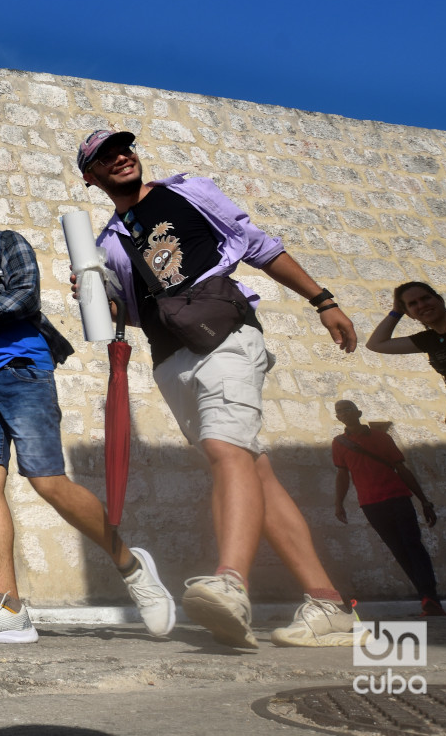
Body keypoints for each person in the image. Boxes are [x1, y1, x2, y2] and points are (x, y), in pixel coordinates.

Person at [74, 129, 359, 648]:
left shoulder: (187, 193)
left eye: (124, 148)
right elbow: (136, 314)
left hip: (227, 336)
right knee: (251, 468)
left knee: (228, 450)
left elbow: (258, 246)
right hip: (172, 361)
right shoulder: (107, 245)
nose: (120, 157)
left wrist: (323, 300)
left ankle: (230, 582)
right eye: (103, 157)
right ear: (89, 177)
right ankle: (329, 605)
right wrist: (98, 297)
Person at [0, 181, 175, 645]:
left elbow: (25, 299)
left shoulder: (8, 243)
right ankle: (8, 608)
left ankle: (131, 566)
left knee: (47, 482)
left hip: (22, 373)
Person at [331, 400, 445, 616]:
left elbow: (400, 468)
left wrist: (424, 501)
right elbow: (342, 475)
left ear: (359, 412)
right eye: (339, 412)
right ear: (337, 418)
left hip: (398, 498)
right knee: (398, 549)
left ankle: (430, 597)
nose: (343, 414)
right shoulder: (339, 444)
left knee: (412, 545)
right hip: (370, 504)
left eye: (347, 409)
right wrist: (339, 503)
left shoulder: (382, 437)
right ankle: (426, 597)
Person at [366, 281, 446, 491]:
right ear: (409, 313)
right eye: (413, 304)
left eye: (426, 298)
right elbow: (376, 344)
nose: (422, 305)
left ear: (439, 299)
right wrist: (395, 312)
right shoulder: (427, 340)